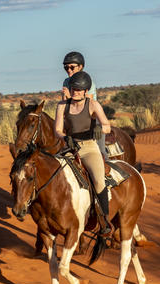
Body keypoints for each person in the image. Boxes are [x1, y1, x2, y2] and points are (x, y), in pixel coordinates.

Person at [54, 71, 113, 236]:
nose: (75, 92)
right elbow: (57, 130)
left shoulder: (93, 105)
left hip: (89, 148)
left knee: (99, 181)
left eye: (79, 90)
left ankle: (104, 219)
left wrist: (99, 128)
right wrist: (65, 137)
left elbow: (107, 126)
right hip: (69, 148)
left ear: (86, 91)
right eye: (73, 88)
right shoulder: (62, 106)